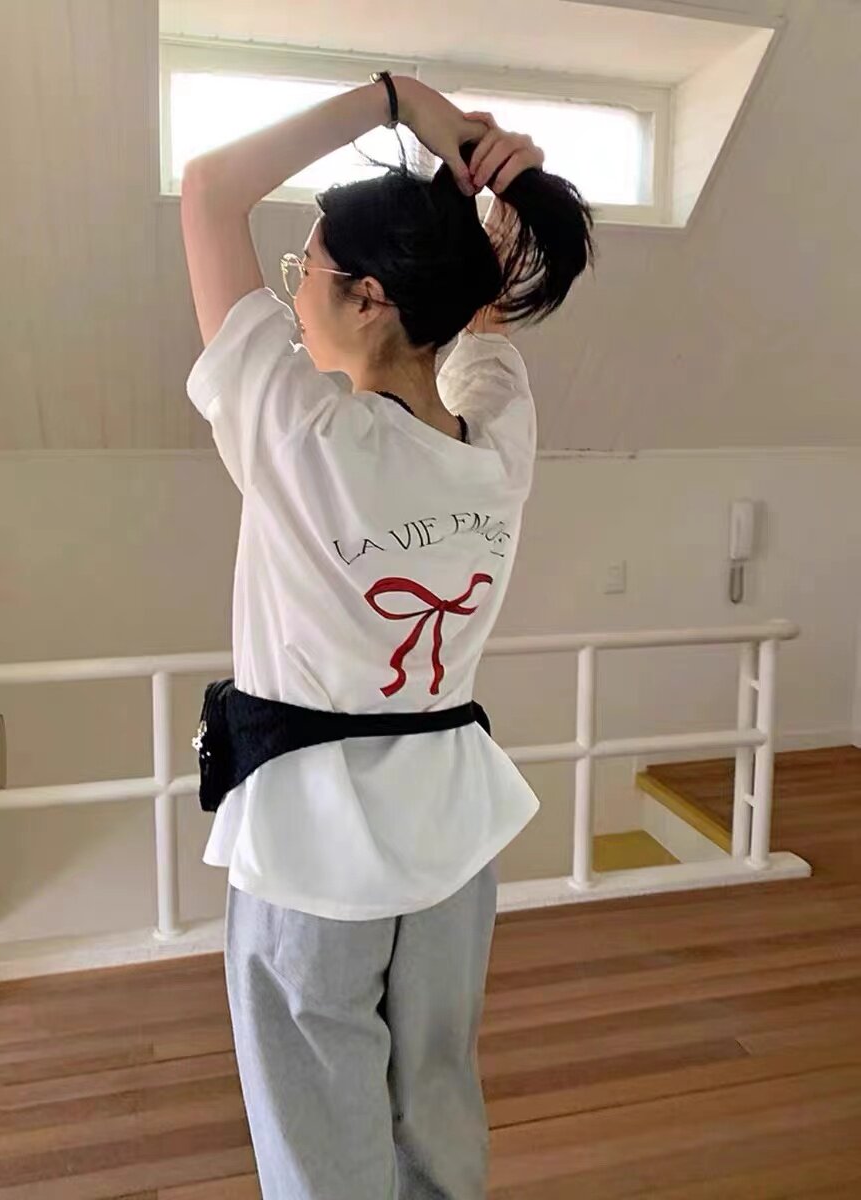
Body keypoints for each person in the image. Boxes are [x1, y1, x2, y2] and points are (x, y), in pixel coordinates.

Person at [180, 71, 593, 1200]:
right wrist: (482, 187)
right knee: (437, 1106)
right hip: (454, 839)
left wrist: (398, 102)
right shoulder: (496, 443)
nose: (291, 295)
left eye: (302, 272)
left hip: (313, 847)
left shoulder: (298, 436)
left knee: (321, 1131)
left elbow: (208, 191)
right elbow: (480, 318)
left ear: (366, 297)